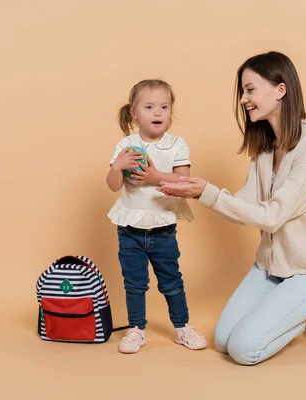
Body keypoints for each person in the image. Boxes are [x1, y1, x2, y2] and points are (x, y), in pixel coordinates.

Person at [157, 51, 306, 365]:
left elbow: (271, 217)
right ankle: (295, 307)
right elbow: (246, 204)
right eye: (243, 91)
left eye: (250, 89)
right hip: (270, 268)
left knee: (245, 350)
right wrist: (197, 192)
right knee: (224, 342)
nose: (244, 99)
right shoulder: (267, 146)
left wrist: (209, 192)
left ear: (280, 90)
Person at [106, 79, 206, 354]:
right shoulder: (127, 145)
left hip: (163, 228)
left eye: (164, 106)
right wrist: (117, 166)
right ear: (134, 113)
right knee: (134, 283)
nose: (158, 112)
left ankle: (182, 326)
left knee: (171, 281)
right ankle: (136, 329)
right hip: (130, 228)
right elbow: (114, 185)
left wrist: (153, 176)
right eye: (149, 107)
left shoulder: (176, 145)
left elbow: (184, 181)